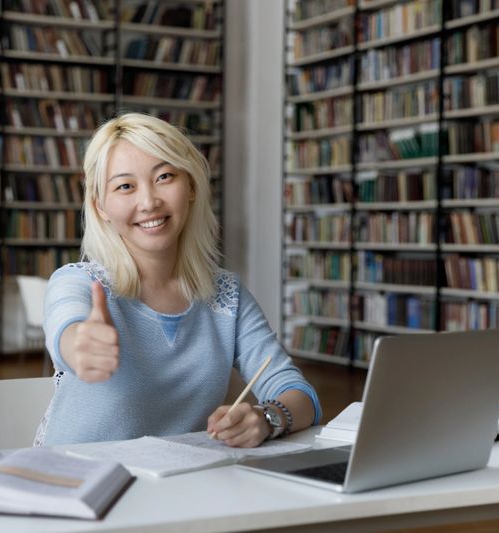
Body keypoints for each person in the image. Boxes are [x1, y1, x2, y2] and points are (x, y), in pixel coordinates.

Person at [36, 113, 321, 448]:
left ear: (191, 187)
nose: (149, 202)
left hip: (180, 487)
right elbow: (66, 327)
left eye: (164, 176)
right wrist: (79, 344)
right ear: (101, 207)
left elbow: (299, 394)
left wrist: (267, 418)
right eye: (125, 186)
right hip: (77, 484)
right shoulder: (77, 282)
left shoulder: (226, 295)